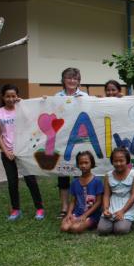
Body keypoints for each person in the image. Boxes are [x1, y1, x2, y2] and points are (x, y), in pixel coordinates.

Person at [0, 84, 45, 221]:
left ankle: (39, 208)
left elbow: (34, 119)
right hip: (7, 153)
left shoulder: (22, 109)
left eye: (13, 96)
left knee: (31, 180)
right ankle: (16, 210)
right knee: (12, 182)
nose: (10, 99)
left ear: (17, 96)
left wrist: (42, 101)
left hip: (23, 152)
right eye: (7, 96)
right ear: (2, 97)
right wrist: (6, 151)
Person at [54, 67, 88, 219]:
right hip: (62, 141)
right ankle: (64, 207)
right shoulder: (56, 97)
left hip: (80, 142)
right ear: (63, 80)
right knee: (63, 174)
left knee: (79, 174)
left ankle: (79, 205)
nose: (72, 81)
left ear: (79, 81)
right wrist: (43, 103)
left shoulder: (85, 96)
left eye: (75, 78)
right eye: (69, 78)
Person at [98, 148, 134, 235]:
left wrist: (122, 211)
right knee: (102, 230)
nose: (118, 163)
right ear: (112, 162)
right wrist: (106, 209)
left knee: (120, 229)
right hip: (113, 204)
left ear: (127, 161)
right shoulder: (108, 175)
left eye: (121, 161)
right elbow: (106, 195)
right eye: (115, 161)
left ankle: (128, 222)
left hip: (127, 205)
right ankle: (115, 222)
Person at [60, 151, 103, 233]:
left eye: (86, 163)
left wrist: (85, 215)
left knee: (75, 228)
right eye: (81, 163)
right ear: (78, 165)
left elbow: (98, 202)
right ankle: (76, 220)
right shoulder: (75, 182)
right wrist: (69, 213)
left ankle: (92, 223)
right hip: (78, 212)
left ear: (92, 163)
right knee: (64, 228)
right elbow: (73, 201)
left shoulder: (97, 181)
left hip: (92, 215)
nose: (83, 165)